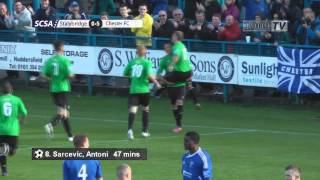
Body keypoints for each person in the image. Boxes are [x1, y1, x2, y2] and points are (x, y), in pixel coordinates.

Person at [123, 45, 161, 140]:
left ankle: (130, 130)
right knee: (145, 109)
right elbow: (149, 75)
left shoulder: (132, 62)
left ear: (136, 52)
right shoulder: (147, 62)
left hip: (134, 90)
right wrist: (156, 82)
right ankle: (144, 131)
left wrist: (133, 77)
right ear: (145, 53)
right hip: (144, 90)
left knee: (133, 110)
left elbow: (125, 73)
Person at [42, 40, 74, 142]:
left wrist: (51, 79)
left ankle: (70, 136)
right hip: (63, 89)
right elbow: (70, 75)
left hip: (53, 89)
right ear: (61, 48)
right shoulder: (64, 60)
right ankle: (50, 125)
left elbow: (43, 75)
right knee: (63, 113)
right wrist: (71, 76)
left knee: (65, 113)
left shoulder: (49, 61)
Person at [0, 82, 28, 176]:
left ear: (2, 91)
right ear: (11, 90)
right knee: (13, 151)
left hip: (1, 129)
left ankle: (4, 171)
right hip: (13, 130)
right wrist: (22, 120)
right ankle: (7, 149)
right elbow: (24, 112)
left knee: (1, 150)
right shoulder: (17, 100)